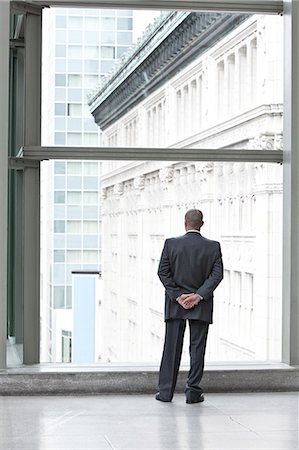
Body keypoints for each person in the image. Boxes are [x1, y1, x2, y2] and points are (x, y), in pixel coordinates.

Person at [156, 209, 223, 403]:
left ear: (185, 223)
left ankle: (166, 393)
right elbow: (216, 275)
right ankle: (193, 393)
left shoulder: (171, 244)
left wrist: (178, 296)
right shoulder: (213, 247)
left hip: (175, 305)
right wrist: (198, 296)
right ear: (202, 224)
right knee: (197, 349)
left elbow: (163, 273)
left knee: (171, 349)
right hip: (201, 306)